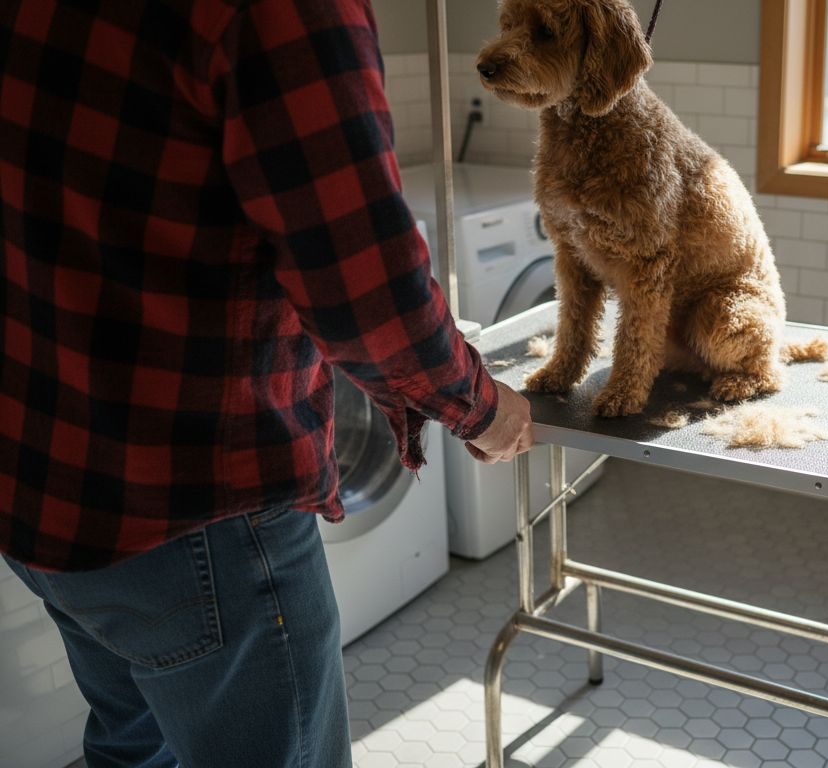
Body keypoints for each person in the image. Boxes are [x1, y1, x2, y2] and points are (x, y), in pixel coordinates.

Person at [0, 0, 534, 765]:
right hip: (197, 515)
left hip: (44, 483)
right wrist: (481, 407)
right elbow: (365, 286)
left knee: (132, 751)